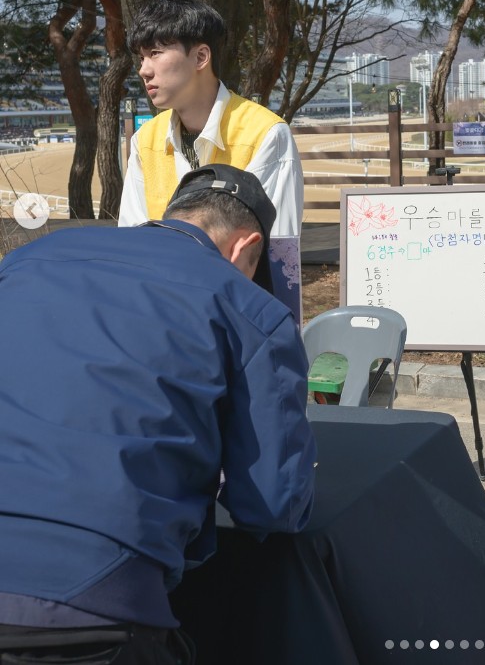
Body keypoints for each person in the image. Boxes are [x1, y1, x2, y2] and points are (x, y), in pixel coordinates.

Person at [0, 164, 317, 664]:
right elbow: (272, 504)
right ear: (245, 247)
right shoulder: (247, 306)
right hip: (92, 600)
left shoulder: (26, 260)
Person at [118, 0, 304, 319]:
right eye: (142, 56)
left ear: (201, 56)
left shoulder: (265, 133)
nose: (143, 69)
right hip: (163, 316)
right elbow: (133, 241)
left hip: (242, 318)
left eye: (156, 53)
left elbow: (278, 253)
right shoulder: (144, 141)